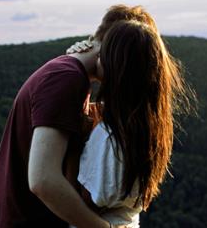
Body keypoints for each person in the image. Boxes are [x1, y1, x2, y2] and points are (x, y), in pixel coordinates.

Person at [0, 4, 178, 228]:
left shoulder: (72, 75)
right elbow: (42, 180)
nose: (129, 74)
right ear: (109, 47)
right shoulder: (66, 78)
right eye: (127, 62)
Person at [67, 16, 195, 227]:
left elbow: (80, 201)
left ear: (115, 67)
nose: (96, 59)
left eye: (102, 55)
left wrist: (73, 143)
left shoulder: (111, 137)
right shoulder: (145, 125)